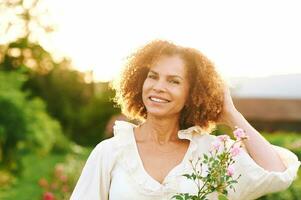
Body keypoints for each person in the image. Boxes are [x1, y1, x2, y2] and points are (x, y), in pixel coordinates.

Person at [70, 40, 300, 200]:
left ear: (192, 93)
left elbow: (277, 174)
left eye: (174, 81)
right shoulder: (110, 152)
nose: (159, 87)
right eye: (153, 76)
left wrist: (232, 115)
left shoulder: (212, 153)